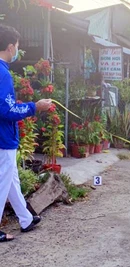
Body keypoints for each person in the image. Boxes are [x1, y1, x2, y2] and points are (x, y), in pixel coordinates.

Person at [0, 24, 52, 242]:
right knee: (3, 182)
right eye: (17, 47)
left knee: (11, 180)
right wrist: (35, 106)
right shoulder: (3, 73)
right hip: (3, 138)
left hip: (4, 137)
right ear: (10, 47)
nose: (17, 51)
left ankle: (25, 219)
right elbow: (7, 110)